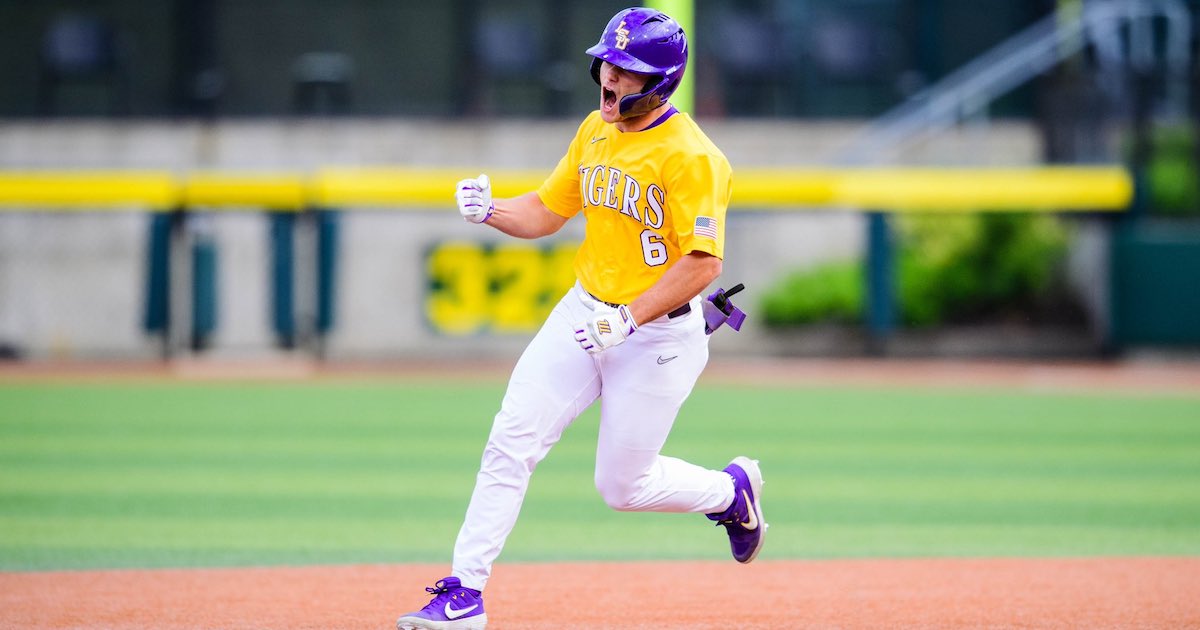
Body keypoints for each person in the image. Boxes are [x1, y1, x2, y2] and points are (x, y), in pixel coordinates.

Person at [397, 8, 764, 630]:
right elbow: (545, 210)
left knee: (622, 488)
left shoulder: (693, 157)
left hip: (658, 336)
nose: (610, 78)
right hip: (582, 314)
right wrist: (491, 210)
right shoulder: (595, 129)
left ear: (660, 81)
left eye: (627, 70)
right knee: (510, 441)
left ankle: (730, 493)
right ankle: (464, 593)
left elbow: (703, 265)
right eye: (608, 63)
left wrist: (627, 319)